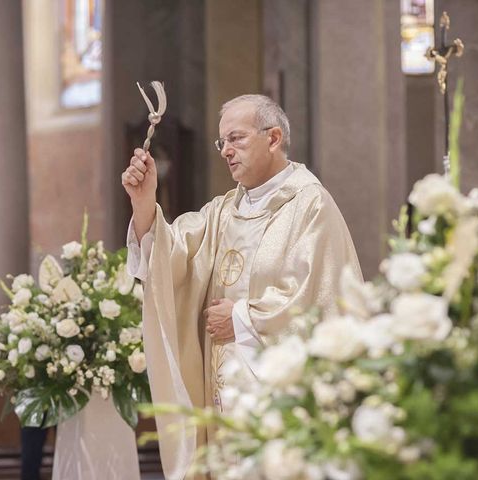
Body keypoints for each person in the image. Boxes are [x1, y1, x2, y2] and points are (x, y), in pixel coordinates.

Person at [122, 94, 361, 479]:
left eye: (236, 139)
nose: (226, 151)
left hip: (280, 407)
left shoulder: (310, 206)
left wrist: (242, 319)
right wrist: (144, 202)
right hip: (223, 402)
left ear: (273, 138)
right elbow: (171, 257)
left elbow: (322, 299)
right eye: (222, 143)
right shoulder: (223, 211)